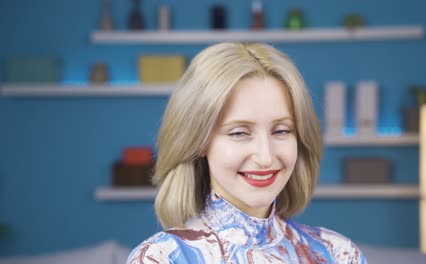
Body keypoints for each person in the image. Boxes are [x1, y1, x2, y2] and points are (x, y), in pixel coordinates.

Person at [127, 42, 367, 263]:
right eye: (239, 133)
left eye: (281, 131)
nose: (265, 157)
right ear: (199, 142)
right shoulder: (162, 258)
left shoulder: (338, 254)